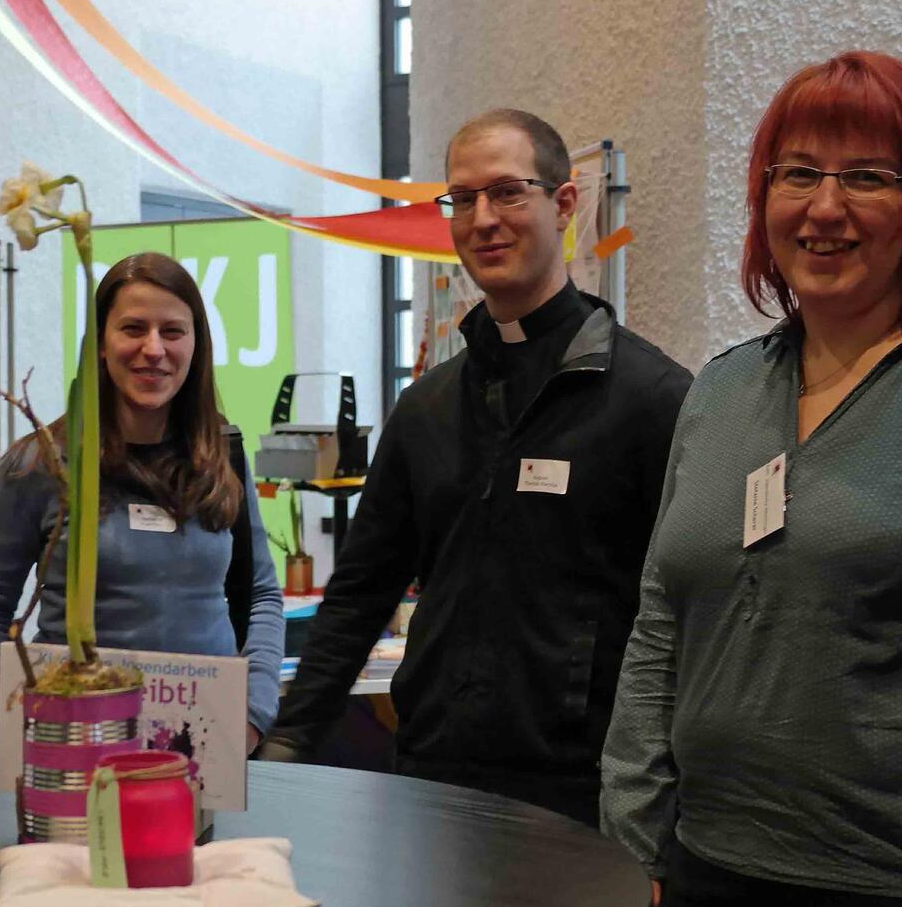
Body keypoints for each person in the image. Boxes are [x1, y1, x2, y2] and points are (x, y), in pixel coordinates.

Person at [600, 51, 902, 907]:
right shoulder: (720, 392)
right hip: (705, 895)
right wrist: (633, 845)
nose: (825, 207)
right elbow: (661, 625)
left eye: (867, 177)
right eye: (798, 174)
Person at [259, 109, 692, 825]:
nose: (483, 219)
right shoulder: (428, 408)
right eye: (462, 199)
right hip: (434, 777)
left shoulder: (650, 399)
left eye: (508, 192)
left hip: (584, 794)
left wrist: (669, 800)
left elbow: (687, 617)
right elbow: (361, 594)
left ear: (564, 204)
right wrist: (292, 740)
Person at [0, 252, 284, 756]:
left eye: (172, 332)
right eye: (133, 328)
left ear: (196, 346)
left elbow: (262, 595)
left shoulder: (222, 457)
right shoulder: (41, 464)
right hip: (76, 745)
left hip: (204, 748)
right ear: (100, 343)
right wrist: (6, 714)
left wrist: (253, 713)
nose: (153, 349)